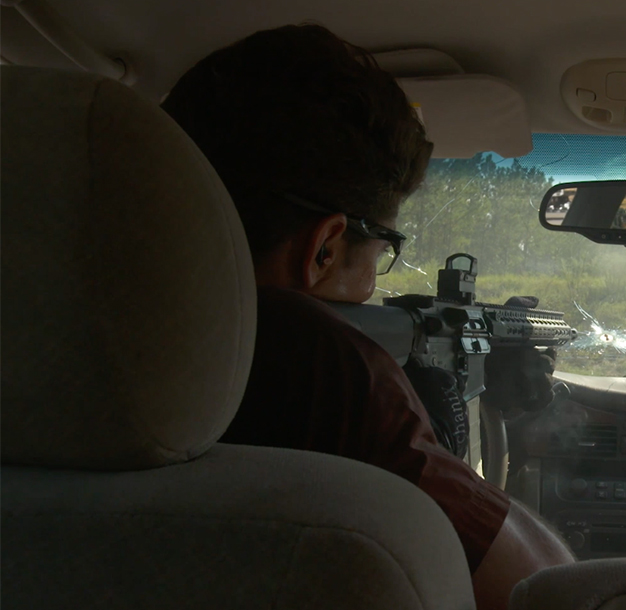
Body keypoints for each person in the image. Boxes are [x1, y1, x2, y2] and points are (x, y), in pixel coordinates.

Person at [161, 24, 574, 610]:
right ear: (324, 247)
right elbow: (551, 591)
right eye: (381, 251)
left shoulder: (54, 334)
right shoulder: (323, 367)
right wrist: (424, 431)